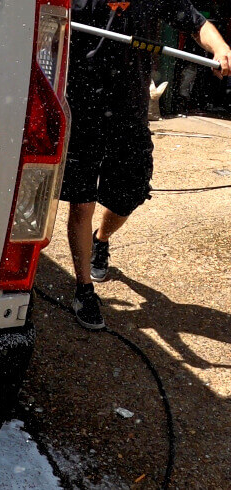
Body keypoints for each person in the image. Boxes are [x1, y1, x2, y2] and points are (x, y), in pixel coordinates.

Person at [63, 0, 231, 330]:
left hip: (129, 113)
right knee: (81, 204)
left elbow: (198, 24)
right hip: (82, 110)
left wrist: (221, 47)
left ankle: (101, 240)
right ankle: (84, 290)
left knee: (128, 196)